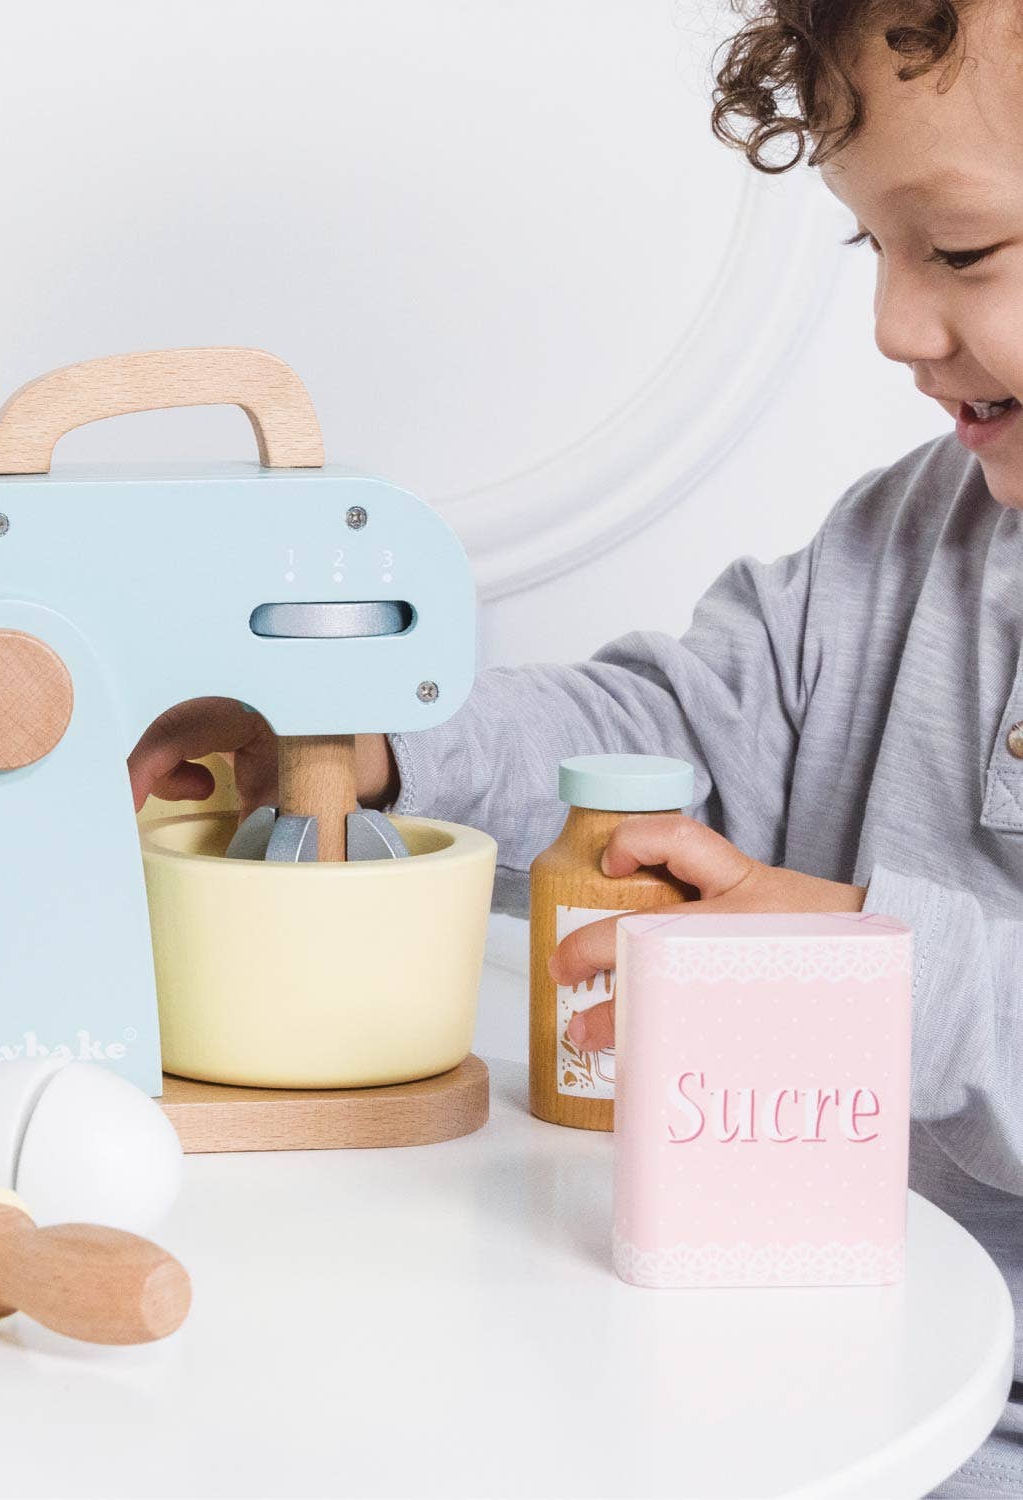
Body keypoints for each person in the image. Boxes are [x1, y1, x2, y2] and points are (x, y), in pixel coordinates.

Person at [129, 2, 1022, 1492]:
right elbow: (660, 748)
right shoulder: (904, 537)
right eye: (873, 246)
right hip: (830, 1339)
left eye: (963, 249)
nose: (892, 326)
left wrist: (863, 973)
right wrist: (378, 749)